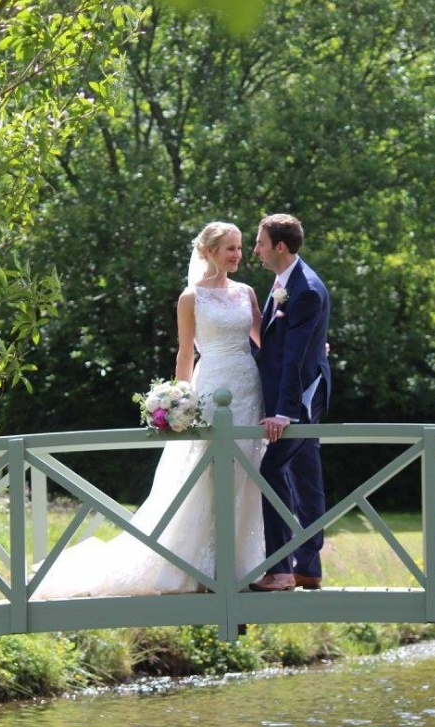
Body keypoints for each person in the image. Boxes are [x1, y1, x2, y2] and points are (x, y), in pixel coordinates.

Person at [32, 222, 267, 598]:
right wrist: (180, 401)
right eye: (229, 249)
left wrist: (307, 352)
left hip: (248, 385)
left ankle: (240, 566)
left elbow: (263, 339)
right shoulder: (190, 298)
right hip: (212, 385)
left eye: (239, 248)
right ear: (208, 251)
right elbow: (186, 352)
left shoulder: (247, 293)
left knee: (247, 471)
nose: (238, 255)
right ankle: (200, 566)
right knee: (206, 473)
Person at [249, 214, 331, 592]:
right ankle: (308, 569)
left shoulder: (305, 289)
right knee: (306, 477)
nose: (256, 250)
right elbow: (283, 343)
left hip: (299, 401)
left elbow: (295, 357)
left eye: (260, 243)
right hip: (296, 396)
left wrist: (283, 412)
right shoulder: (284, 283)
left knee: (270, 471)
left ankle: (281, 569)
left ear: (280, 246)